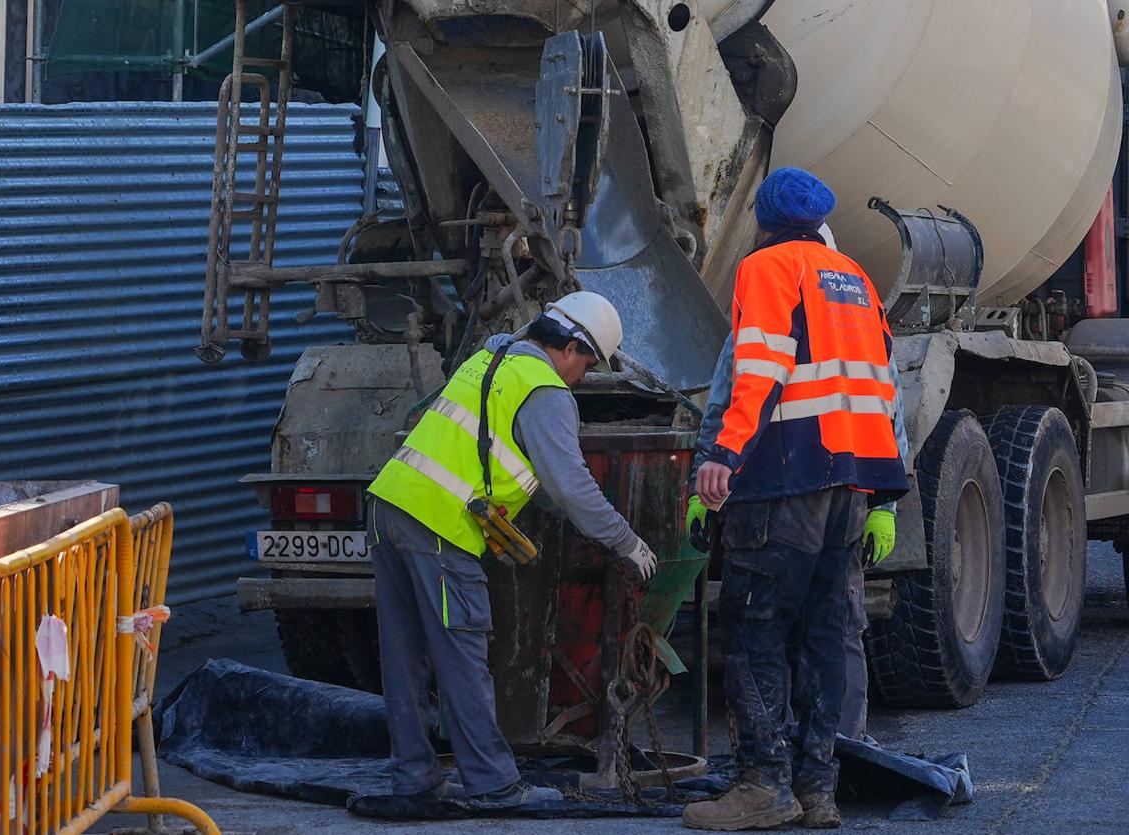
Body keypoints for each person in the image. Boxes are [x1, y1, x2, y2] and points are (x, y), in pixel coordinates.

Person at [365, 291, 659, 811]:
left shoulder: (492, 357)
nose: (583, 377)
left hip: (391, 506)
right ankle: (494, 785)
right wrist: (625, 540)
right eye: (586, 363)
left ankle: (415, 781)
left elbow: (503, 455)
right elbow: (572, 487)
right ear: (570, 346)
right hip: (440, 525)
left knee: (404, 656)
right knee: (463, 658)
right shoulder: (546, 390)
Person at [681, 168, 909, 831]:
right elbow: (883, 388)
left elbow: (756, 369)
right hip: (849, 484)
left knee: (752, 632)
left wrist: (720, 456)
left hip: (783, 478)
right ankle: (817, 791)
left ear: (767, 219)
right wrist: (888, 494)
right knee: (823, 634)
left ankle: (760, 787)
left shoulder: (767, 268)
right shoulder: (856, 282)